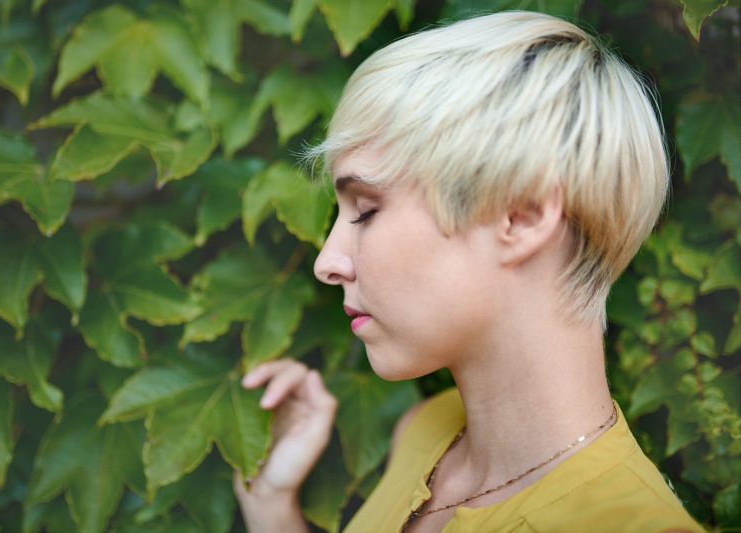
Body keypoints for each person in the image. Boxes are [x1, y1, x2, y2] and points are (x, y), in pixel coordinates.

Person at [233, 10, 704, 533]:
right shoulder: (425, 432)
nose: (326, 262)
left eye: (366, 211)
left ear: (521, 217)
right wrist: (271, 505)